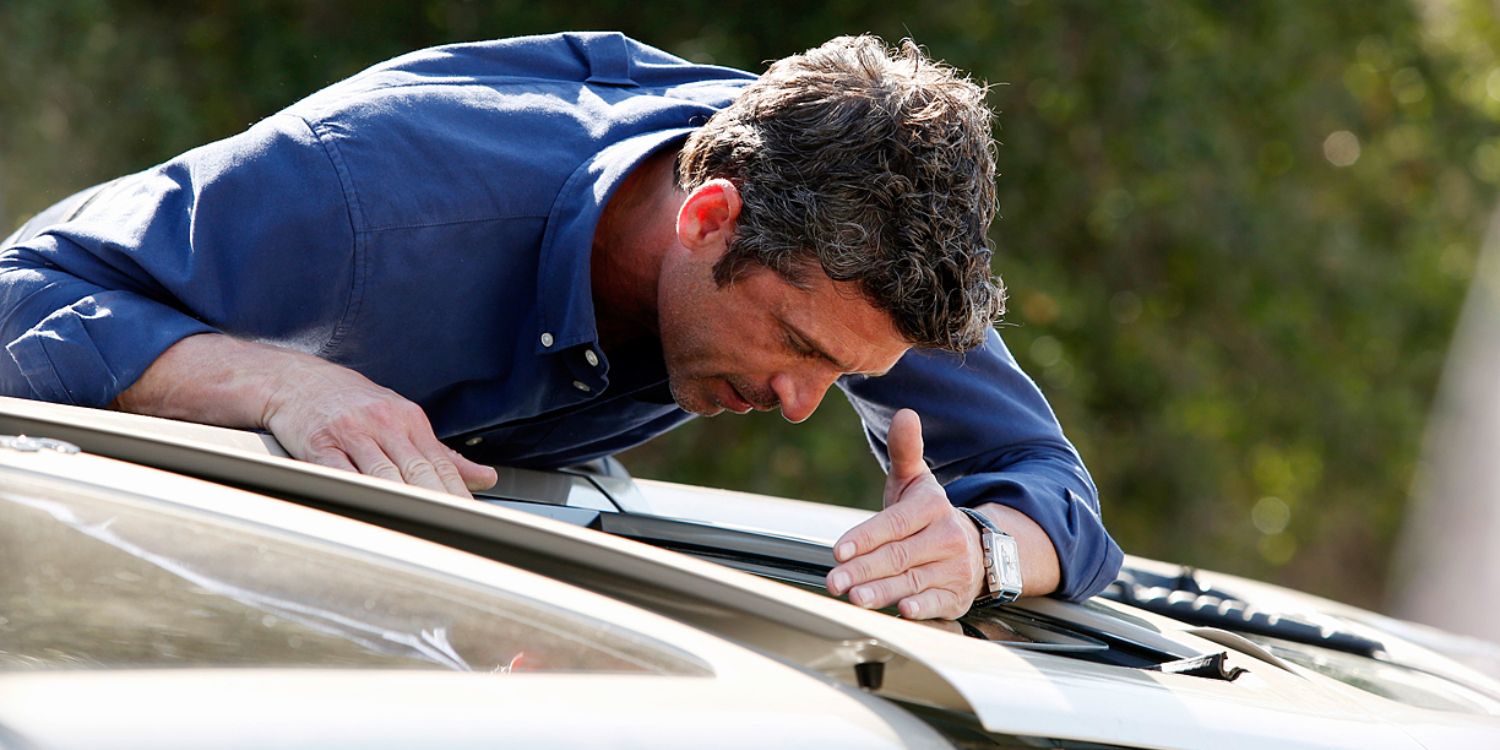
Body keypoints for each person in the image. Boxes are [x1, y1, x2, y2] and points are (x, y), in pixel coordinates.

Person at [0, 32, 1121, 619]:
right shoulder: (364, 198)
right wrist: (274, 383)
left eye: (847, 373)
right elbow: (24, 295)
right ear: (709, 216)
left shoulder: (861, 242)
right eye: (798, 350)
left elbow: (1045, 485)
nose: (799, 406)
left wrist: (977, 554)